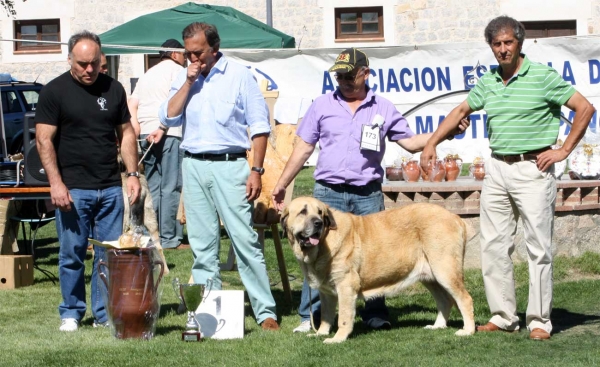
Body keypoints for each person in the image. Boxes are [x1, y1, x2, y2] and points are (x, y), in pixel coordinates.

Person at [420, 16, 596, 341]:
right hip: (498, 168)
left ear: (520, 43)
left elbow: (584, 108)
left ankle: (540, 320)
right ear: (491, 47)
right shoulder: (488, 81)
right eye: (497, 44)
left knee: (538, 248)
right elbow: (460, 112)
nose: (502, 49)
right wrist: (432, 142)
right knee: (493, 244)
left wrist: (563, 150)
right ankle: (503, 316)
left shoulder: (542, 77)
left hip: (534, 167)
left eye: (508, 43)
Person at [272, 47, 468, 333]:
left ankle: (374, 315)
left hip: (367, 193)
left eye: (350, 76)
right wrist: (281, 183)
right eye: (339, 77)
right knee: (315, 255)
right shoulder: (322, 105)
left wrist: (447, 132)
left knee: (376, 255)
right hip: (327, 195)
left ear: (365, 73)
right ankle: (311, 318)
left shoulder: (383, 107)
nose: (344, 82)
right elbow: (303, 148)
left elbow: (412, 143)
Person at [158, 22, 279, 331]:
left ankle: (265, 311)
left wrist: (257, 170)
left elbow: (260, 126)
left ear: (214, 47)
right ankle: (208, 315)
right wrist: (188, 81)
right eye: (188, 53)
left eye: (198, 52)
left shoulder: (240, 75)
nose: (193, 58)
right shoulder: (184, 76)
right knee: (201, 244)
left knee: (244, 240)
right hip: (194, 164)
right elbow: (168, 116)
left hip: (231, 165)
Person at [35, 30, 141, 332]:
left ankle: (104, 313)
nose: (89, 70)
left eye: (94, 63)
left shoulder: (114, 89)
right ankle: (71, 312)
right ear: (69, 59)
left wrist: (132, 175)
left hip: (109, 187)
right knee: (72, 254)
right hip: (72, 189)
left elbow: (127, 134)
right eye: (82, 64)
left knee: (108, 255)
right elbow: (43, 140)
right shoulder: (54, 92)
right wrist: (56, 184)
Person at [128, 39, 186, 249]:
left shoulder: (147, 74)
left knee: (153, 188)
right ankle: (169, 238)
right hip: (169, 131)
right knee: (171, 186)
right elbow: (177, 102)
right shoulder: (178, 71)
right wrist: (162, 126)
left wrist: (137, 128)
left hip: (145, 132)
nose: (186, 58)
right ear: (174, 53)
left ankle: (154, 236)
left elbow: (131, 105)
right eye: (184, 54)